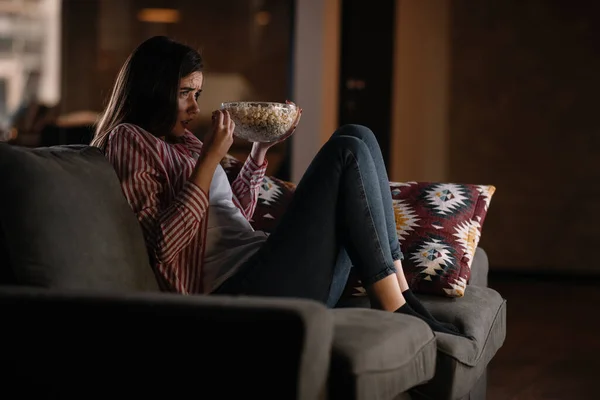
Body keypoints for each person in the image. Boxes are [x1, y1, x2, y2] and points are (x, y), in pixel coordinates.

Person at [91, 36, 466, 337]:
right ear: (153, 91)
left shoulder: (185, 142)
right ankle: (393, 306)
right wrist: (208, 161)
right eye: (185, 93)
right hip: (241, 292)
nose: (194, 107)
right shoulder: (128, 139)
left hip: (272, 270)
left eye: (198, 95)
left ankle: (400, 290)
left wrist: (258, 151)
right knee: (346, 149)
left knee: (359, 134)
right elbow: (162, 244)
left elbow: (232, 213)